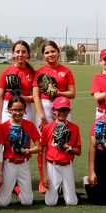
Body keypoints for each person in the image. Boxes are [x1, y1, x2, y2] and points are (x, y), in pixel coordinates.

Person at [33, 40, 76, 193]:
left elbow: (72, 94)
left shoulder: (66, 71)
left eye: (53, 51)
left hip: (63, 108)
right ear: (43, 55)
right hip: (45, 106)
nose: (50, 54)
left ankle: (65, 179)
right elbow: (36, 96)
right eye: (47, 52)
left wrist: (57, 92)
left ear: (58, 52)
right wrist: (42, 116)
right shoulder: (39, 72)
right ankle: (44, 179)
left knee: (65, 141)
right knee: (44, 143)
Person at [0, 96, 42, 207]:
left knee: (27, 202)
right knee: (2, 203)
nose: (18, 112)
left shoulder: (29, 125)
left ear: (25, 109)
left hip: (23, 164)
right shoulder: (3, 127)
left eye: (21, 110)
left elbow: (39, 147)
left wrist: (28, 150)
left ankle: (17, 188)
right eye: (15, 110)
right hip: (9, 164)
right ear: (9, 110)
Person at [40, 97, 82, 206]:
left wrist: (67, 147)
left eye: (65, 110)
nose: (62, 112)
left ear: (69, 111)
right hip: (52, 165)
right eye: (59, 110)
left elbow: (78, 151)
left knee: (72, 202)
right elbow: (43, 151)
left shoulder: (74, 128)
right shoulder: (47, 128)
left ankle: (70, 186)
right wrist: (44, 174)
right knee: (50, 202)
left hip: (67, 165)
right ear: (53, 110)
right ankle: (59, 188)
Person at [0, 40, 35, 123]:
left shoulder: (32, 73)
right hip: (8, 108)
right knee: (7, 135)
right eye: (17, 52)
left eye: (23, 52)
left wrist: (21, 97)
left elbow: (35, 97)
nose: (20, 54)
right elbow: (0, 97)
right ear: (13, 54)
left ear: (28, 54)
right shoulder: (6, 72)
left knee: (25, 135)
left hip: (25, 108)